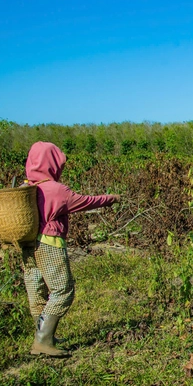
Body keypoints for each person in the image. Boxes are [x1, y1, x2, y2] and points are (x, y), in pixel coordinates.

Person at [22, 142, 121, 357]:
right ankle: (43, 340)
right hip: (49, 243)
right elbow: (85, 202)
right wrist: (110, 199)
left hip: (27, 245)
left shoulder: (24, 189)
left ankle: (43, 336)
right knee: (62, 290)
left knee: (37, 289)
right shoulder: (56, 190)